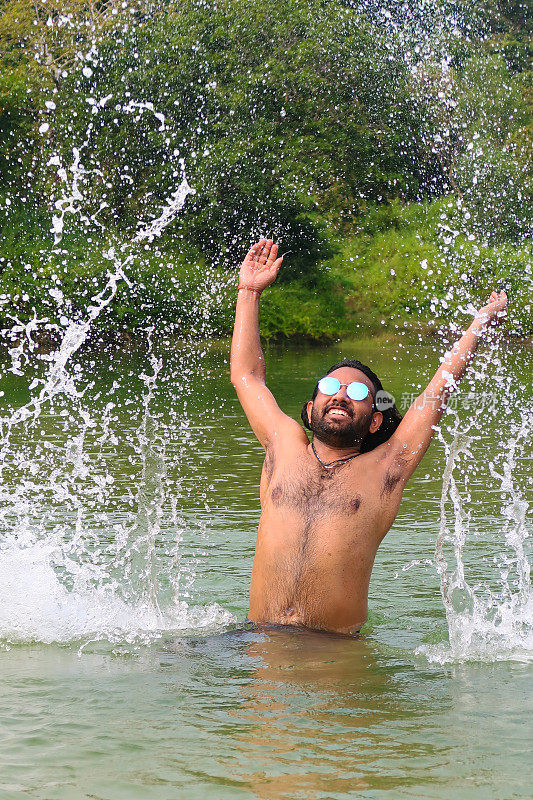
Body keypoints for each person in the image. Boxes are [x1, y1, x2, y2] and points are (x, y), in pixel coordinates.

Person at [230, 238, 507, 635]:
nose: (342, 394)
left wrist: (477, 327)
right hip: (255, 636)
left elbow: (435, 393)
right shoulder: (282, 444)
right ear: (310, 410)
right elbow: (247, 376)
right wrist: (249, 292)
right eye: (330, 386)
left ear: (374, 421)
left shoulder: (385, 469)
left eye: (358, 392)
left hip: (336, 652)